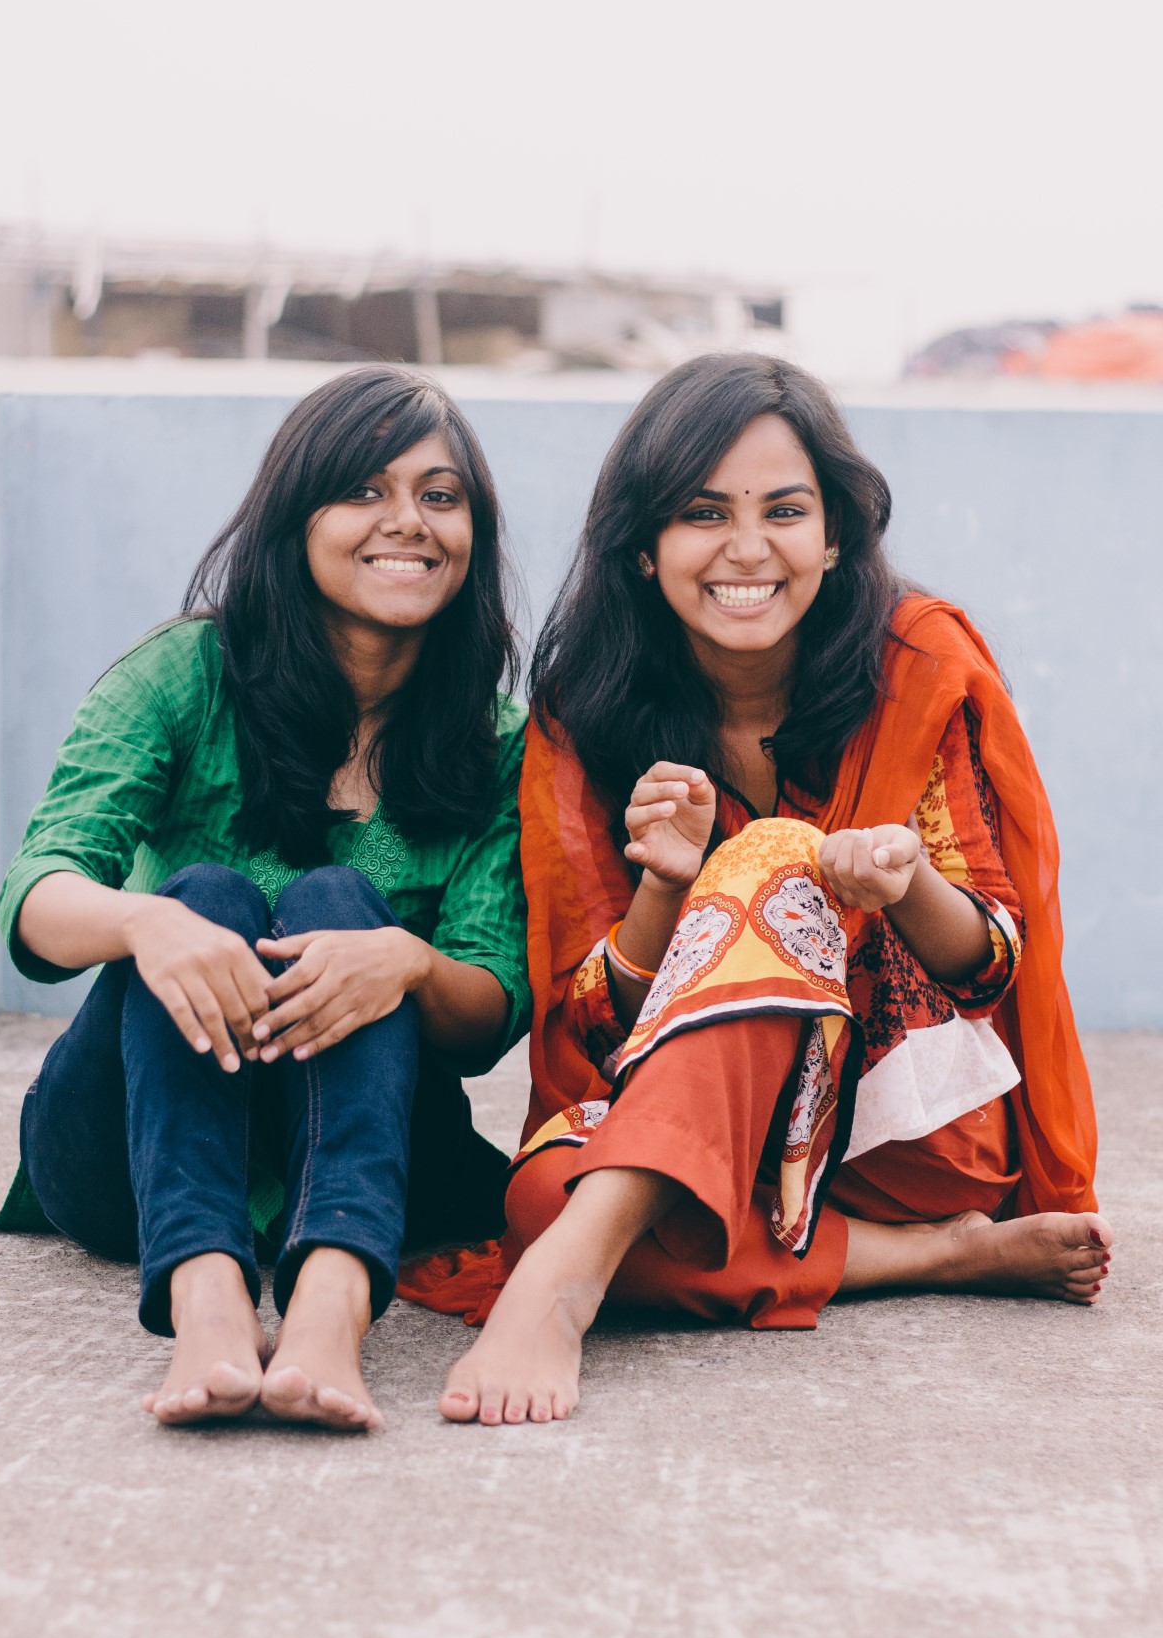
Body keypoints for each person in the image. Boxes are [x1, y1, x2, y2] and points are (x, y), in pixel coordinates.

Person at [398, 352, 1109, 1427]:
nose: (746, 549)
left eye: (784, 510)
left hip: (901, 1133)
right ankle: (927, 1262)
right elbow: (592, 1026)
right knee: (542, 1199)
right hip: (711, 1143)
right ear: (644, 548)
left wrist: (903, 884)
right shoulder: (586, 715)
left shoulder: (916, 668)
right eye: (702, 513)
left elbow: (992, 959)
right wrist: (663, 889)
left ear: (834, 536)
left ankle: (570, 1279)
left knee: (778, 855)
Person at [0, 366, 530, 1430]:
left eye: (439, 494)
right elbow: (37, 899)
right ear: (297, 516)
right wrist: (147, 922)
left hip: (370, 1162)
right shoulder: (184, 675)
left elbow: (489, 1011)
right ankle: (205, 1296)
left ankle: (331, 1304)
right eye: (365, 491)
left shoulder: (494, 740)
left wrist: (410, 964)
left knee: (341, 902)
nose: (407, 523)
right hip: (127, 1165)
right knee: (203, 895)